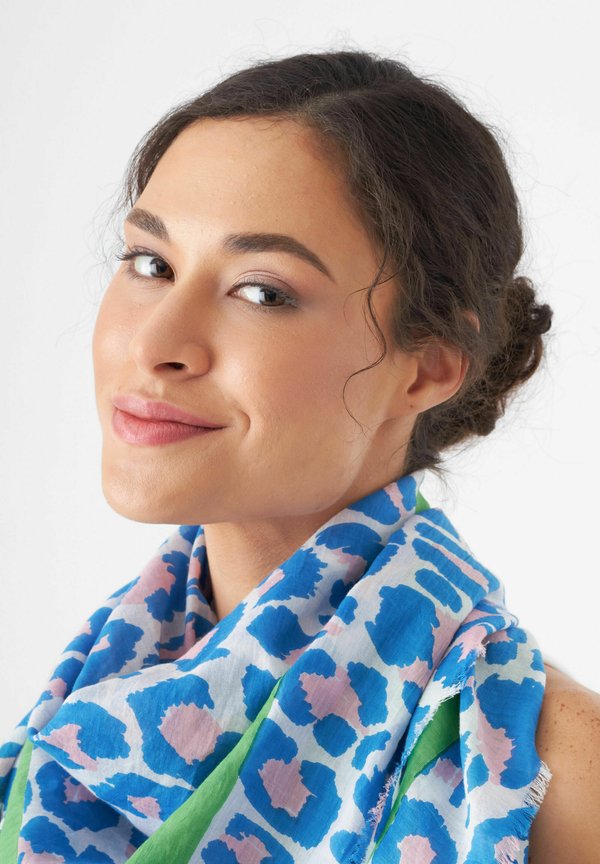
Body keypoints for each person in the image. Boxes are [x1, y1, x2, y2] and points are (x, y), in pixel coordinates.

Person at [0, 49, 598, 864]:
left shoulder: (546, 770)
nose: (154, 343)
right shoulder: (84, 704)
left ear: (427, 366)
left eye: (262, 291)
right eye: (151, 263)